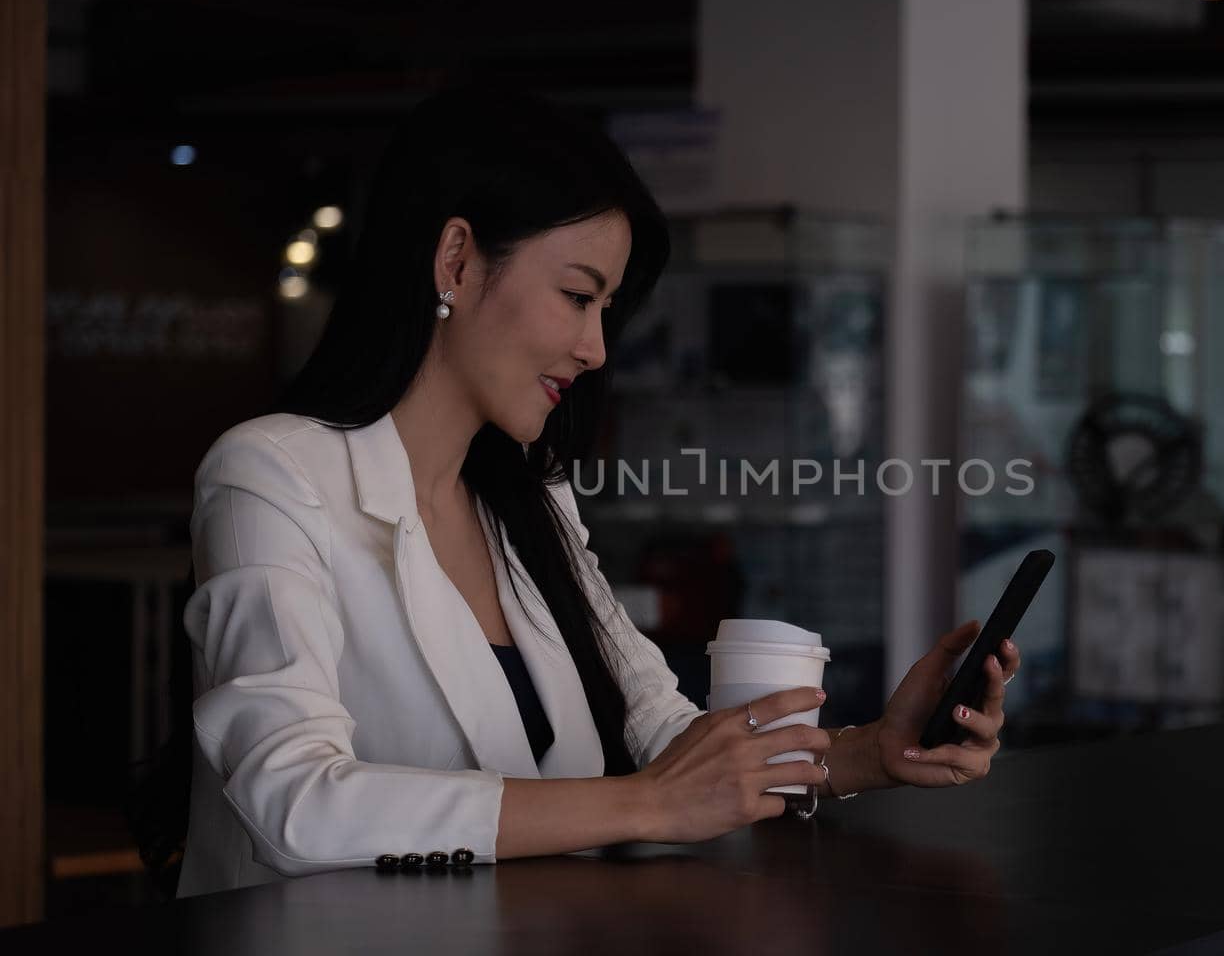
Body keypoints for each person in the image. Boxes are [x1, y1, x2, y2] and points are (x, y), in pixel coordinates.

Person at [174, 85, 1022, 898]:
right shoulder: (273, 474)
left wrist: (871, 753)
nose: (595, 349)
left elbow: (659, 727)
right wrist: (646, 803)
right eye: (579, 297)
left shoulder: (528, 499)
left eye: (606, 309)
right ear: (458, 261)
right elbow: (293, 802)